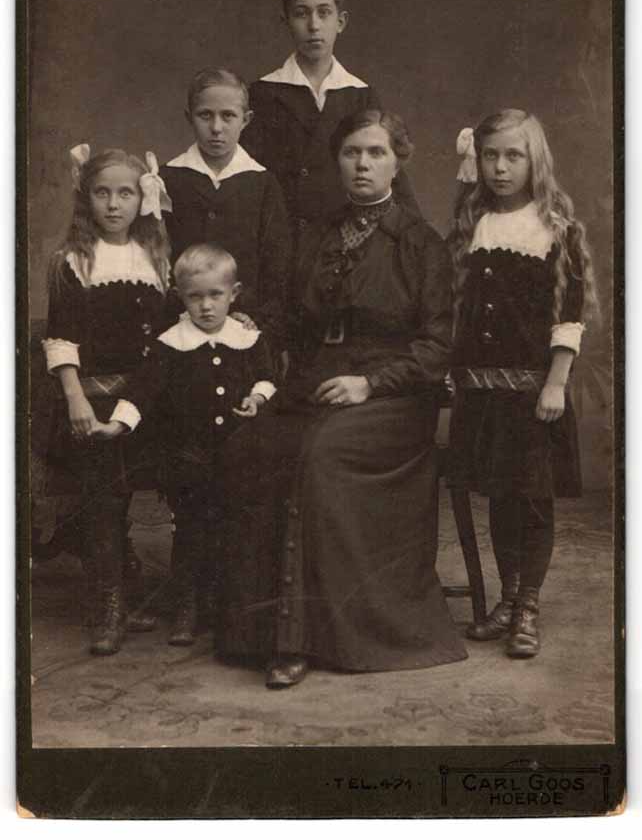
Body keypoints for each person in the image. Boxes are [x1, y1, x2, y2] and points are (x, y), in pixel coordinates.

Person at [216, 108, 467, 688]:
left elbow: (436, 346)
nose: (362, 164)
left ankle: (299, 639)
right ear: (338, 161)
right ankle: (252, 633)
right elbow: (291, 326)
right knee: (252, 443)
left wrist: (371, 383)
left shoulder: (420, 244)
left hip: (395, 397)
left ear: (396, 160)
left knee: (321, 454)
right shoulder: (320, 234)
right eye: (352, 152)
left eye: (376, 153)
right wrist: (264, 385)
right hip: (317, 385)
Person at [448, 110, 598, 658]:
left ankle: (529, 604)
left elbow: (569, 315)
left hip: (533, 392)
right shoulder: (473, 224)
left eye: (514, 156)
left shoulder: (556, 227)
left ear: (535, 160)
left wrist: (556, 382)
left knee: (533, 500)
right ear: (477, 160)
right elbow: (458, 309)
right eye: (491, 156)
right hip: (481, 393)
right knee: (499, 498)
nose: (501, 167)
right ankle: (507, 599)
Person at [42, 145, 172, 656]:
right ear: (86, 197)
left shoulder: (157, 256)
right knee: (104, 491)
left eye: (125, 193)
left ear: (143, 198)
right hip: (93, 391)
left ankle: (168, 589)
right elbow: (61, 337)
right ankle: (110, 602)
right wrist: (75, 397)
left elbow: (167, 337)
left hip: (150, 393)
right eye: (102, 193)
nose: (114, 205)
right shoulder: (73, 260)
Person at [119, 244, 276, 646]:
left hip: (238, 454)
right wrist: (121, 422)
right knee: (190, 529)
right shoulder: (171, 344)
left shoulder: (247, 338)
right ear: (179, 295)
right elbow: (145, 389)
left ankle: (227, 605)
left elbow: (267, 377)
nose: (206, 306)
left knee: (234, 526)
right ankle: (188, 604)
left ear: (234, 293)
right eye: (195, 296)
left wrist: (256, 399)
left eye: (215, 295)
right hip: (189, 456)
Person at [241, 0, 418, 245]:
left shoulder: (360, 95)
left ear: (341, 21)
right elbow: (247, 179)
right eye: (301, 14)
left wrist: (417, 238)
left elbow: (391, 174)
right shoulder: (263, 93)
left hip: (345, 241)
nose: (313, 25)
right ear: (285, 21)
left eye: (324, 13)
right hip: (283, 241)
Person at [160, 67, 291, 346]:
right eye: (205, 115)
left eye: (228, 116)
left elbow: (276, 268)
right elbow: (156, 257)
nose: (216, 128)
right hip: (180, 326)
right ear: (189, 118)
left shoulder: (263, 184)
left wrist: (256, 320)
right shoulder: (167, 179)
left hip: (246, 326)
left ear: (246, 120)